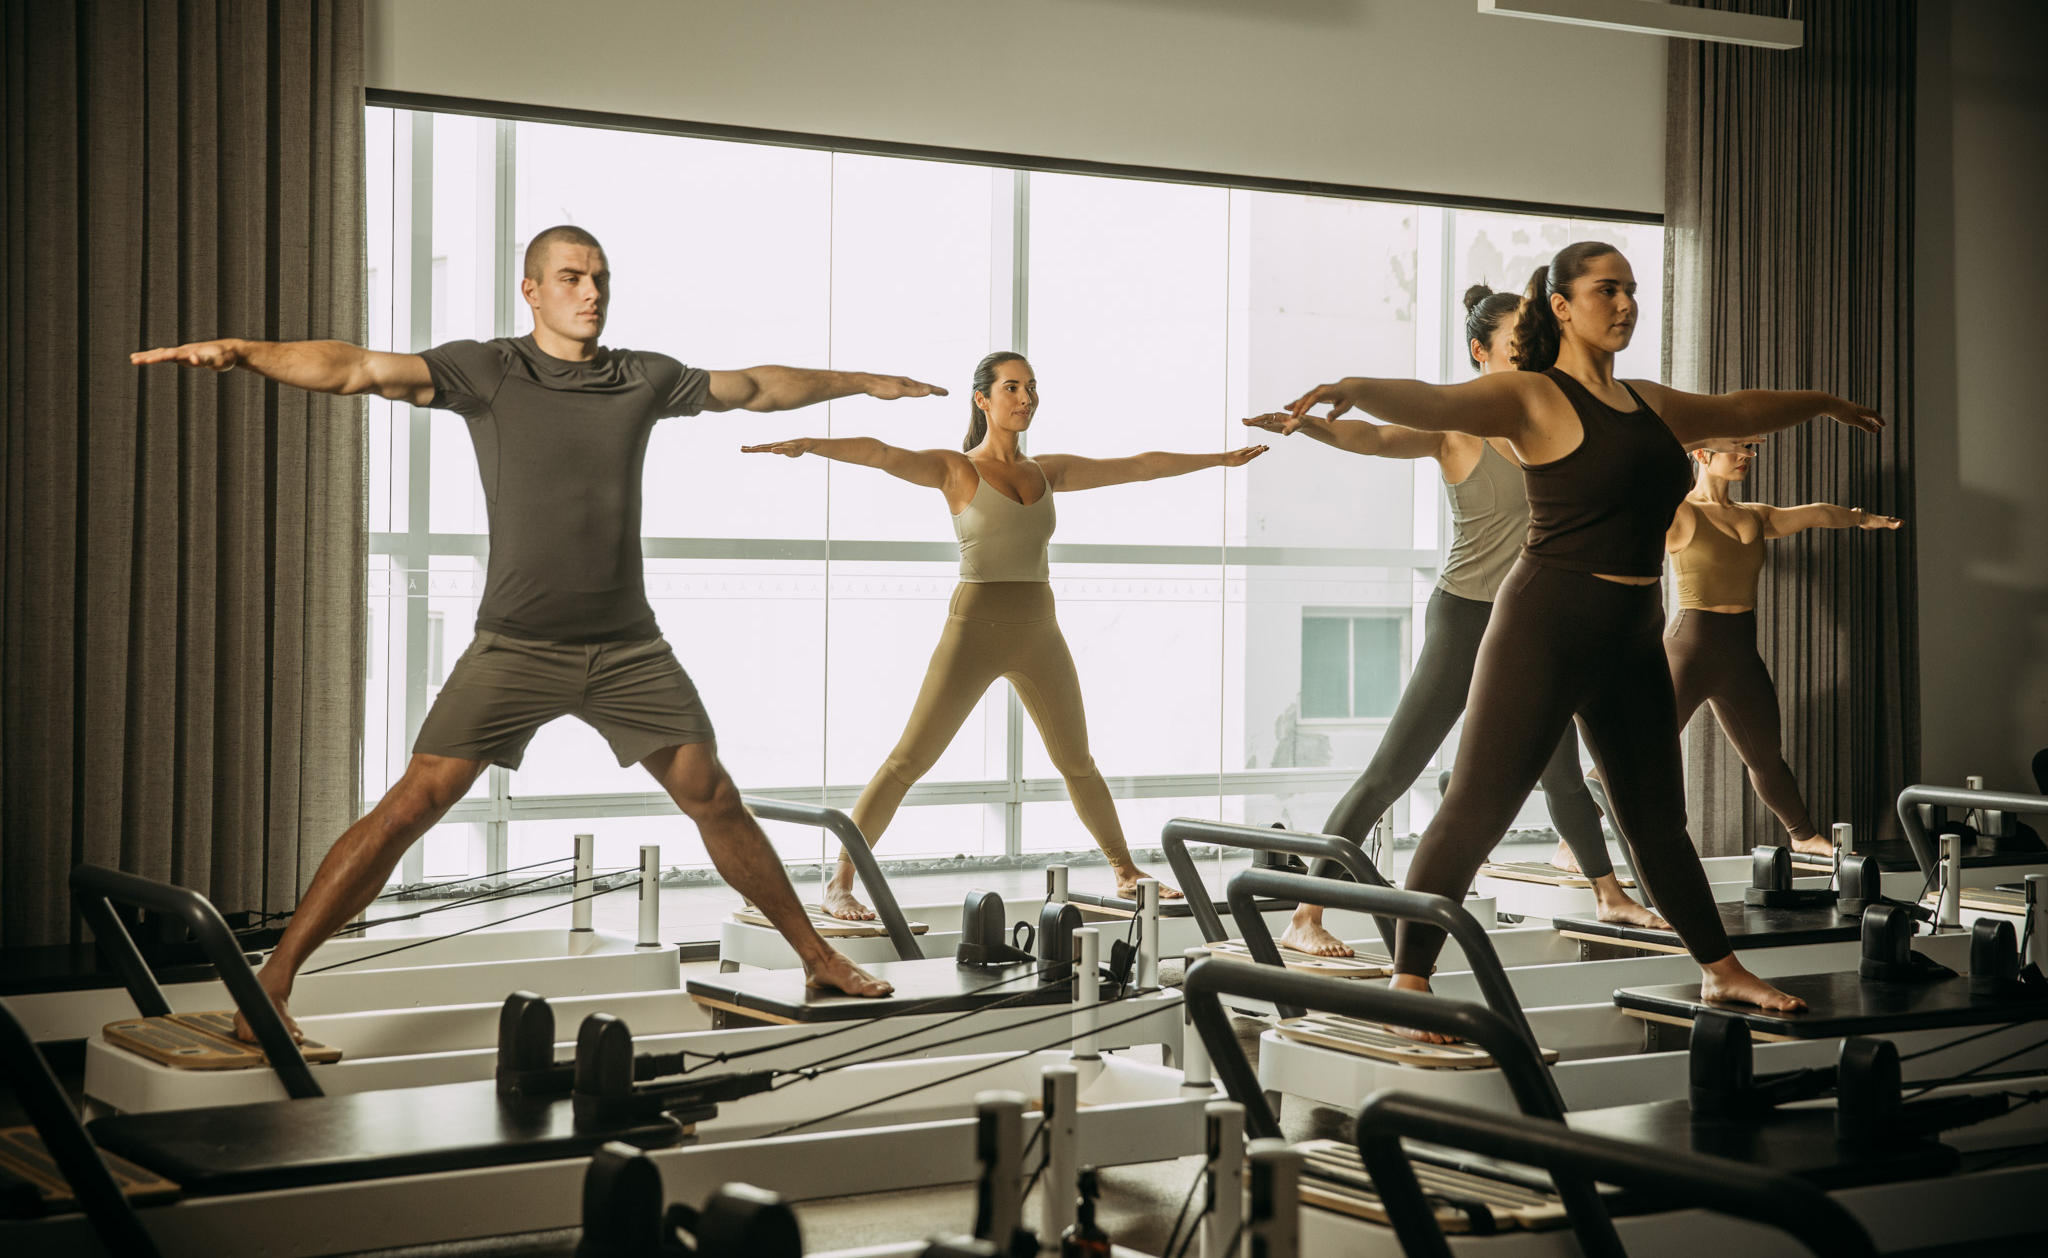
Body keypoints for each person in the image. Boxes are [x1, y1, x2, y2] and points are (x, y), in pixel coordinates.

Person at [133, 224, 936, 1037]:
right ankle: (271, 985)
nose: (591, 292)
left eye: (600, 278)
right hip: (516, 646)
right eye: (571, 277)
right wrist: (245, 351)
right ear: (533, 291)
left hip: (629, 648)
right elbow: (358, 367)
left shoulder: (643, 377)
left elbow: (756, 386)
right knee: (413, 805)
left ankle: (817, 957)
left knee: (714, 795)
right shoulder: (489, 371)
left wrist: (863, 380)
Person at [1285, 241, 1886, 1029]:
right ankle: (1410, 982)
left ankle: (1720, 970)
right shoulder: (1532, 397)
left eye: (1632, 290)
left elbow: (1740, 409)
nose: (1626, 303)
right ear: (1562, 305)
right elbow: (1433, 404)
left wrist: (1824, 403)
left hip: (1635, 633)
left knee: (1656, 821)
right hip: (1546, 623)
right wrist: (1352, 388)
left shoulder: (1650, 404)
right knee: (1477, 805)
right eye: (1608, 290)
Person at [744, 351, 1268, 920]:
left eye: (1032, 387)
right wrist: (812, 444)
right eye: (1012, 387)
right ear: (983, 400)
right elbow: (882, 453)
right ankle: (840, 880)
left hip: (1039, 629)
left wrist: (1219, 460)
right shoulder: (955, 469)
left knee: (1077, 761)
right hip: (974, 629)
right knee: (907, 761)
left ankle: (1124, 870)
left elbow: (1140, 465)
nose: (1026, 398)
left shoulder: (1048, 472)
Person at [1245, 285, 1660, 958]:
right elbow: (1376, 435)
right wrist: (1312, 426)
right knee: (1390, 772)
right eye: (1517, 345)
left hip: (1536, 625)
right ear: (1480, 352)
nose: (1533, 354)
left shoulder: (1556, 425)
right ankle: (1306, 913)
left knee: (1560, 772)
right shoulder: (1457, 430)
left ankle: (1609, 893)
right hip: (1468, 616)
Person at [1666, 441, 1902, 855]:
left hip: (1741, 656)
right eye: (1737, 449)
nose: (1747, 457)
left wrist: (1862, 518)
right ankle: (1573, 835)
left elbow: (1817, 513)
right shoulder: (1678, 512)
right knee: (1641, 747)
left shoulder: (1754, 515)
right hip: (1689, 650)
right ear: (1702, 455)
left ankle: (1804, 836)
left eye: (1750, 449)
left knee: (1766, 755)